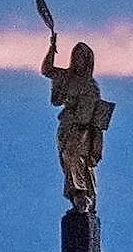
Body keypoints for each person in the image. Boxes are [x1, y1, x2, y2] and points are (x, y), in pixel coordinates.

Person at [40, 36, 112, 213]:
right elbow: (47, 70)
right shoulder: (66, 77)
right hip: (67, 128)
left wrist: (95, 140)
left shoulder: (90, 85)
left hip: (83, 132)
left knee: (79, 161)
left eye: (82, 57)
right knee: (67, 160)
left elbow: (95, 115)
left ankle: (83, 196)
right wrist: (52, 48)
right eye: (76, 56)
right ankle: (77, 198)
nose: (79, 60)